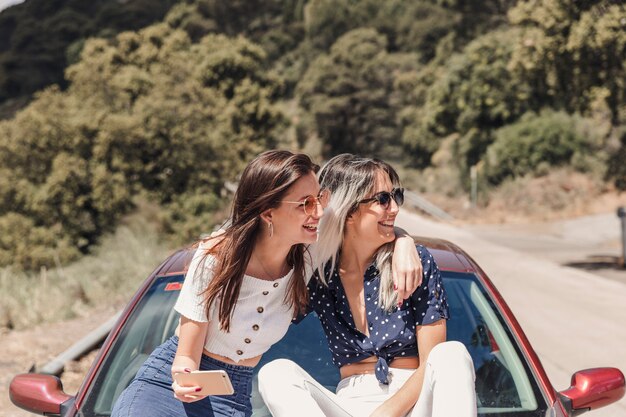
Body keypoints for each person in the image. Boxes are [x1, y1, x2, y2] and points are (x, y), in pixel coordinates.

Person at [111, 150, 423, 417]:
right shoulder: (215, 258)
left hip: (233, 398)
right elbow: (185, 357)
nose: (317, 212)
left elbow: (366, 221)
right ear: (268, 212)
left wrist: (404, 242)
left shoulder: (311, 258)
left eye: (320, 199)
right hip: (168, 390)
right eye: (304, 204)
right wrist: (184, 378)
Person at [259, 154, 477, 417]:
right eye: (383, 199)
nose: (395, 208)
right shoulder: (318, 276)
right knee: (276, 373)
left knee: (451, 353)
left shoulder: (413, 263)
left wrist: (405, 241)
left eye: (396, 196)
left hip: (413, 402)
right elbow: (262, 312)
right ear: (349, 211)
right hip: (350, 402)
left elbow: (431, 360)